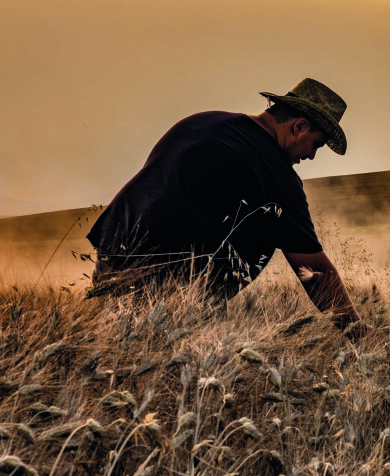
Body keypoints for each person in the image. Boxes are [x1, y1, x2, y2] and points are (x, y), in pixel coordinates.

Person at [87, 78, 369, 339]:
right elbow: (314, 271)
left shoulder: (201, 121)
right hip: (170, 283)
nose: (311, 155)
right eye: (316, 144)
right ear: (299, 127)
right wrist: (358, 333)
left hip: (113, 249)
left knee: (110, 347)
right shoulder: (278, 177)